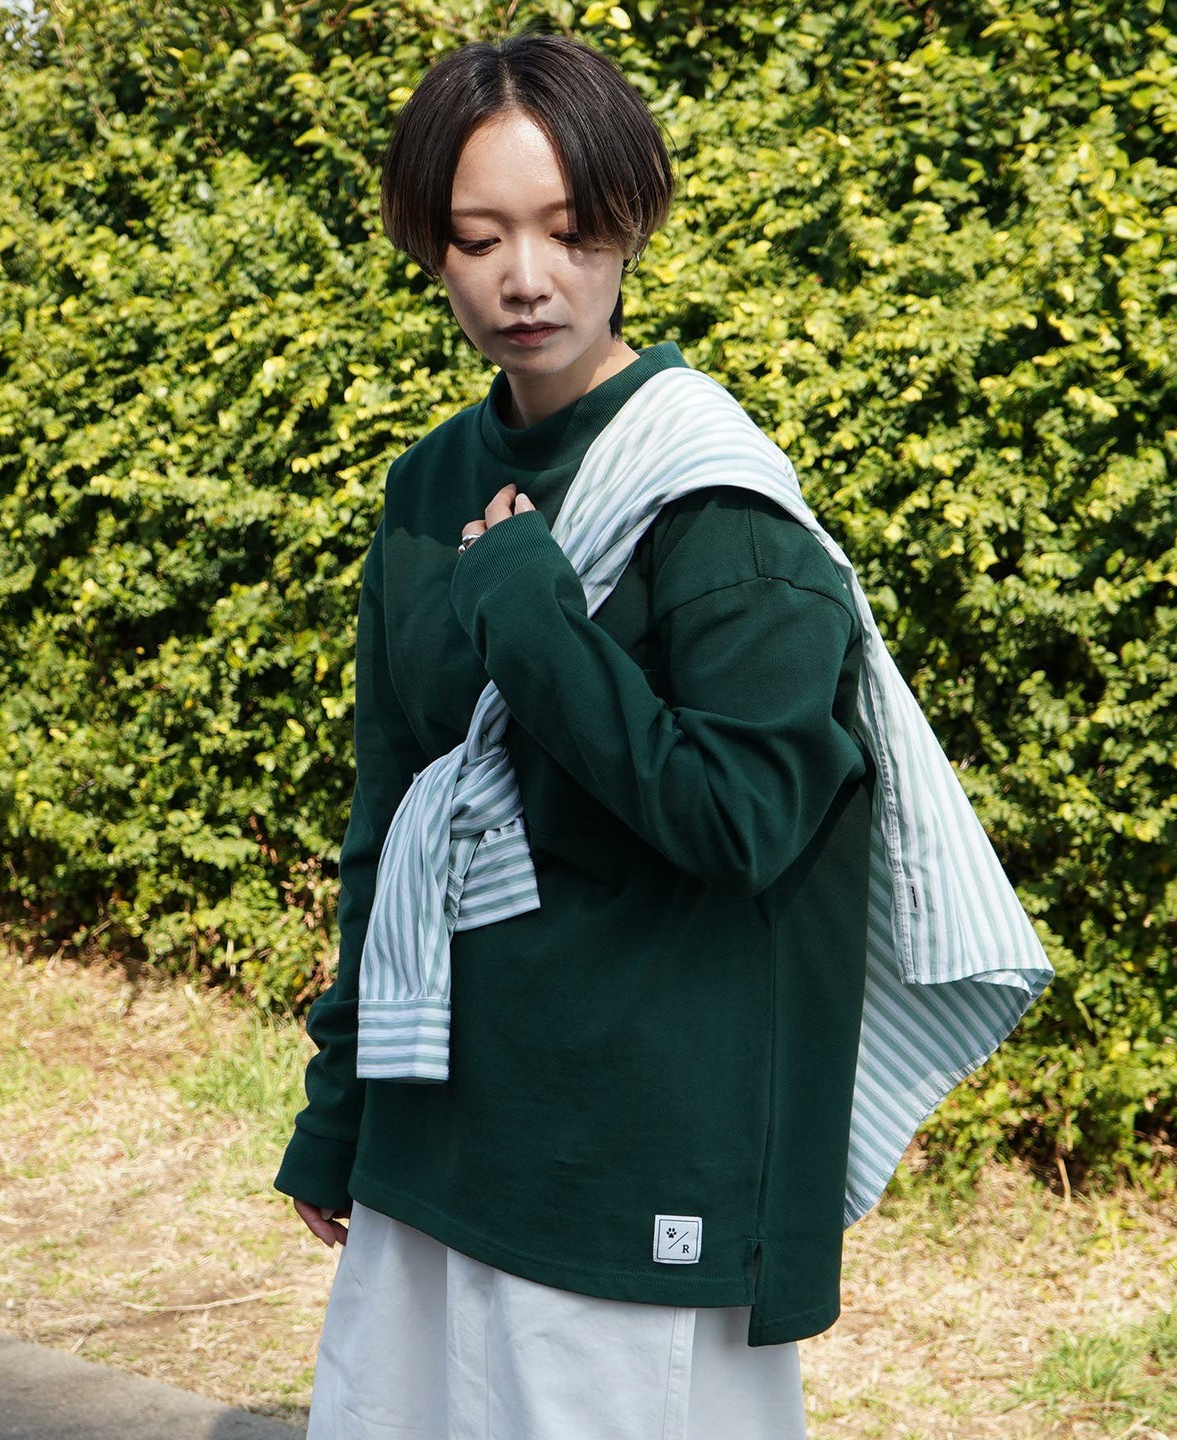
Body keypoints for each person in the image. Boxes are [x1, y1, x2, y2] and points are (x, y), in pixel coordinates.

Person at [275, 33, 1050, 1440]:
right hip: (438, 1131)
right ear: (431, 249)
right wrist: (342, 1102)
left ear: (632, 225)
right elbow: (390, 817)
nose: (527, 278)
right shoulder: (429, 488)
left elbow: (743, 822)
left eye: (571, 231)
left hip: (630, 1163)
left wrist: (535, 620)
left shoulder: (716, 502)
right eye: (479, 238)